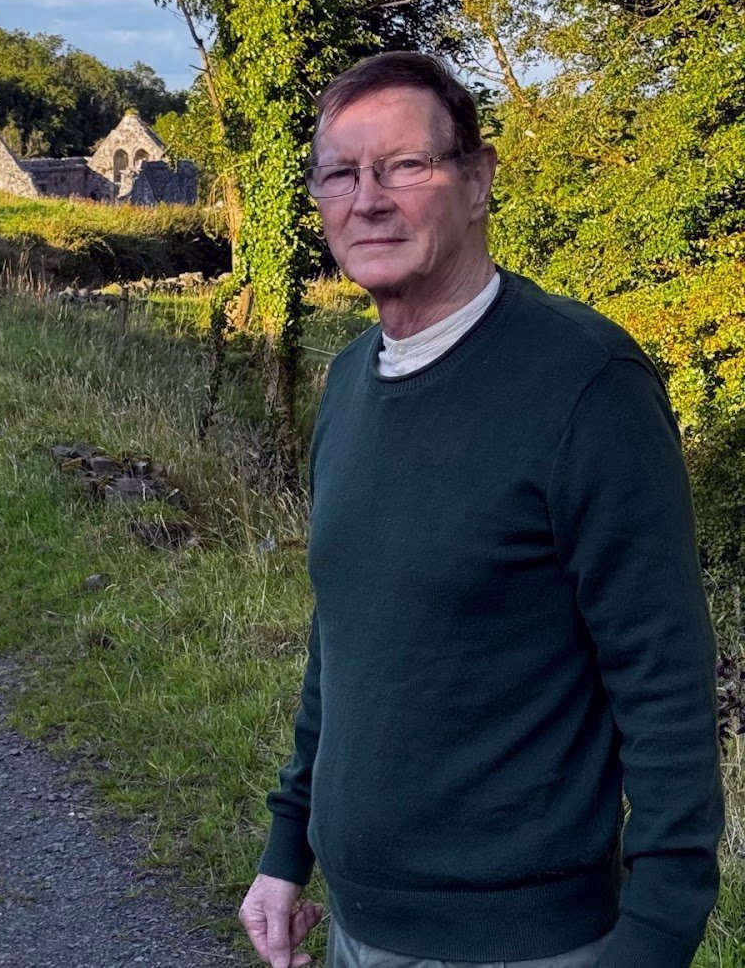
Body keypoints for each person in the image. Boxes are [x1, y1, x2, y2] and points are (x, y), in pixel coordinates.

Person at [239, 52, 724, 968]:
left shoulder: (587, 385)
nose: (369, 198)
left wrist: (657, 934)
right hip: (357, 924)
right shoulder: (349, 382)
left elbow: (663, 679)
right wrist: (286, 847)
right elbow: (343, 641)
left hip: (525, 946)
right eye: (341, 174)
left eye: (406, 165)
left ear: (478, 181)